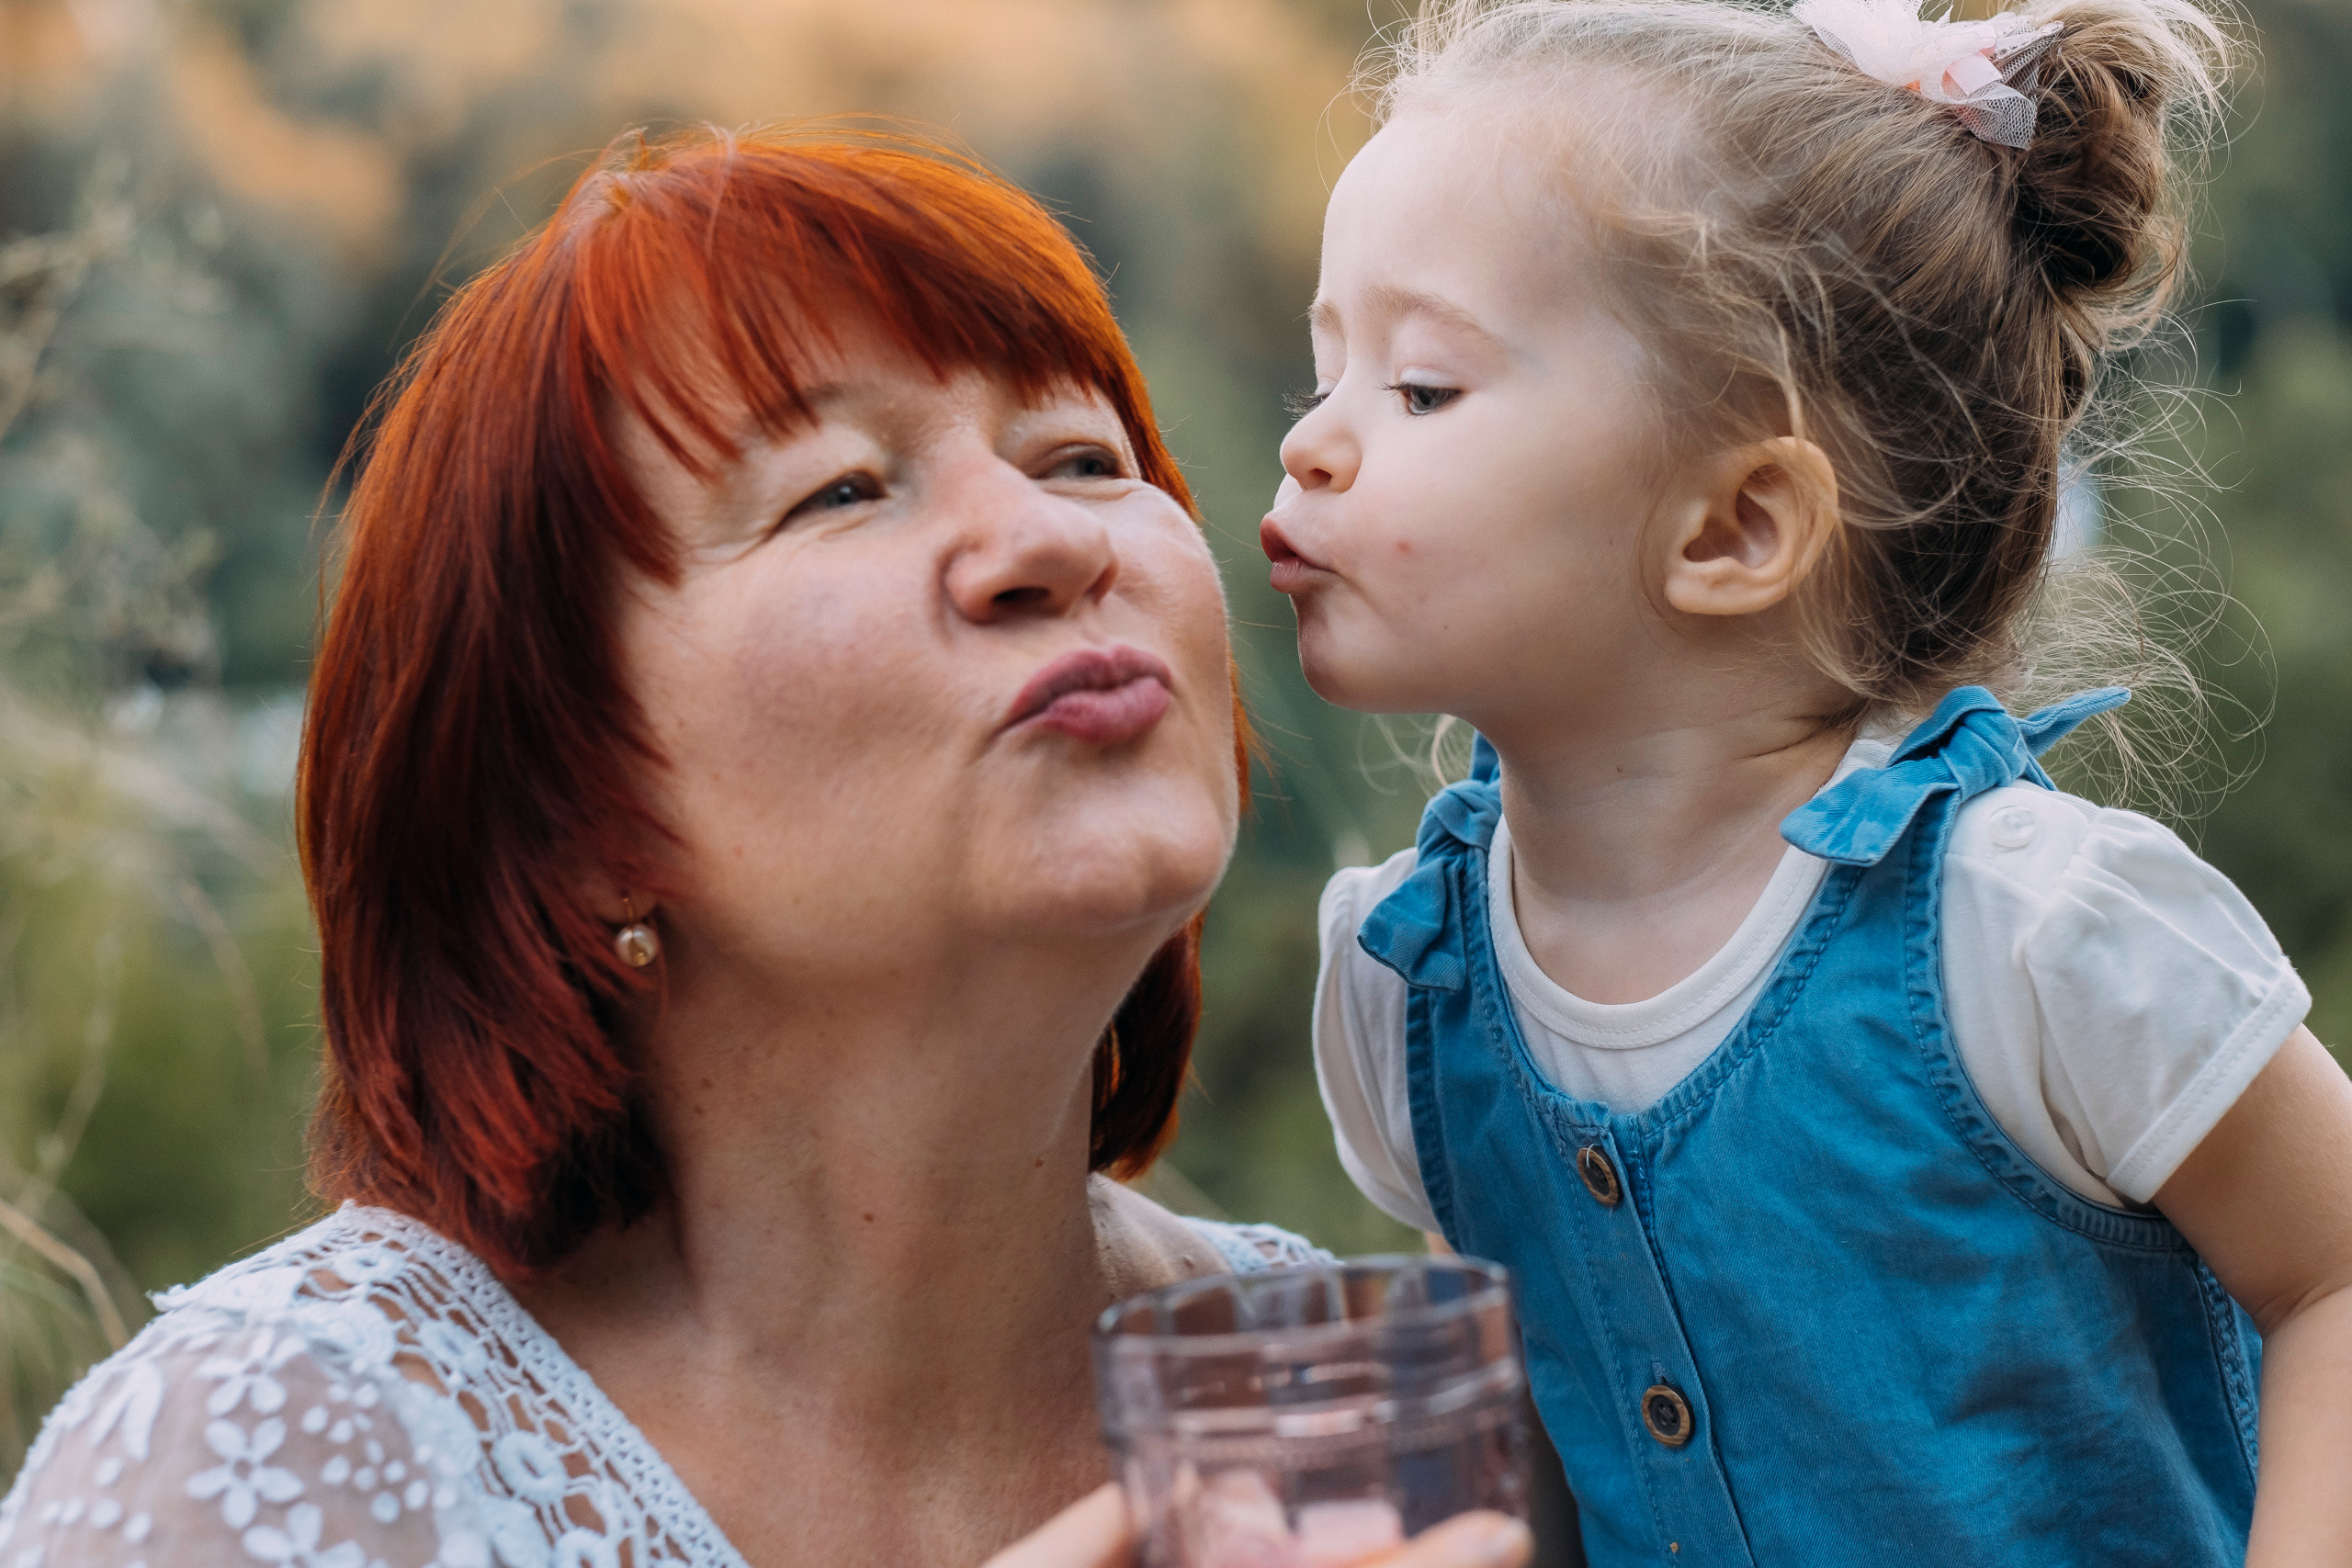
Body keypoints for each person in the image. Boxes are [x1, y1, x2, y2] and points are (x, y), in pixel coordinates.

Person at [0, 127, 1535, 1568]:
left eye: (1079, 456)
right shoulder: (270, 1468)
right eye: (842, 490)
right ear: (569, 803)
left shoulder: (1370, 1400)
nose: (1054, 541)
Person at [1264, 0, 2352, 1562]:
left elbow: (2335, 1274)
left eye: (1421, 389)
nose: (1311, 445)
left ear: (1732, 530)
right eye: (1324, 374)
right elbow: (1540, 1469)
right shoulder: (1401, 992)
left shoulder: (2025, 933)